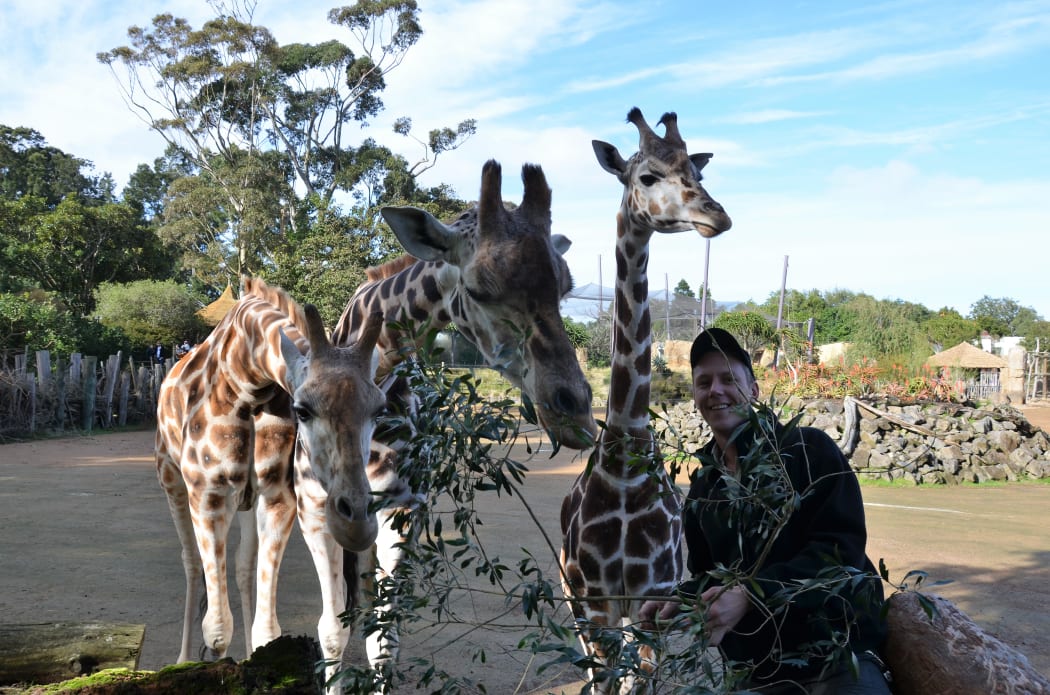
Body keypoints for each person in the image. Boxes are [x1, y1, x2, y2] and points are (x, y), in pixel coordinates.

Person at [639, 328, 890, 694]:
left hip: (835, 658)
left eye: (729, 379)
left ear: (754, 390)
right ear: (695, 396)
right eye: (704, 382)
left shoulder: (807, 450)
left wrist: (752, 595)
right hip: (755, 670)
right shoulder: (704, 488)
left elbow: (839, 555)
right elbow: (713, 576)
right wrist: (680, 600)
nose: (716, 391)